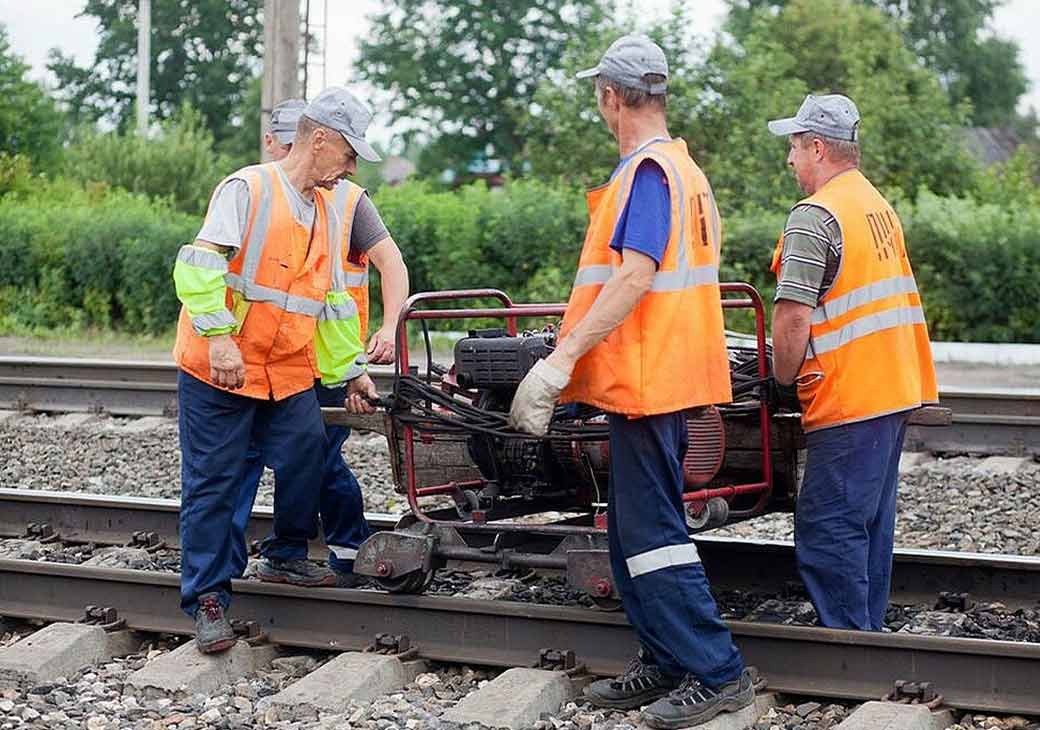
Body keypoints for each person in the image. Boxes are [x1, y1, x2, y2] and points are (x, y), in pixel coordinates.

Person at [508, 34, 754, 730]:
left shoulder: (647, 172)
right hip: (658, 377)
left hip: (650, 380)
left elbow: (636, 275)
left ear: (612, 98)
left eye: (599, 97)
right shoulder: (683, 169)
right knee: (628, 532)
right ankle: (666, 657)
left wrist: (559, 361)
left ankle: (716, 671)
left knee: (654, 535)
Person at [172, 86, 380, 653]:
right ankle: (209, 600)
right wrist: (217, 336)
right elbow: (199, 266)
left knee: (309, 455)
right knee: (213, 484)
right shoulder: (249, 187)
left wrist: (351, 370)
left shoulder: (326, 210)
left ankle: (286, 556)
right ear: (319, 140)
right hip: (222, 370)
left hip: (285, 372)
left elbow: (331, 303)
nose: (352, 167)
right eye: (349, 153)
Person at [766, 94, 937, 630]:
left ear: (818, 147)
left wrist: (780, 381)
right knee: (869, 523)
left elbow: (793, 317)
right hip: (892, 386)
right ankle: (869, 631)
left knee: (829, 526)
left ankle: (850, 645)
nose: (790, 160)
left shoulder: (815, 216)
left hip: (848, 394)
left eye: (794, 147)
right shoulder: (873, 203)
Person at [230, 98, 410, 586]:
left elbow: (390, 266)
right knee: (269, 456)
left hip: (325, 359)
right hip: (268, 356)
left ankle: (325, 548)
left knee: (314, 456)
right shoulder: (259, 192)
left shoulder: (346, 201)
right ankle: (268, 556)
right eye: (281, 145)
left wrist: (383, 334)